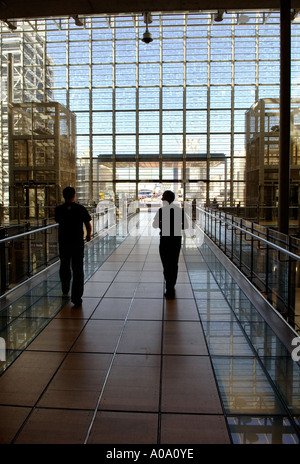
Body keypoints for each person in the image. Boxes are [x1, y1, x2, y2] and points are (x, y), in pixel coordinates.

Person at [55, 186, 92, 307]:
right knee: (78, 269)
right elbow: (88, 224)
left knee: (64, 265)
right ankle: (76, 297)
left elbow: (58, 221)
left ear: (63, 196)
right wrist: (88, 235)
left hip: (64, 242)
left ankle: (65, 288)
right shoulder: (80, 208)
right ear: (74, 195)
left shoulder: (58, 209)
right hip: (77, 243)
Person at [152, 190, 188, 299]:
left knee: (166, 264)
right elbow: (185, 226)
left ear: (167, 199)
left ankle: (169, 287)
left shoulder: (161, 211)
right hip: (176, 240)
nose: (161, 198)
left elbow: (154, 225)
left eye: (163, 196)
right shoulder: (179, 211)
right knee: (173, 263)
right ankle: (171, 286)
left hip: (165, 240)